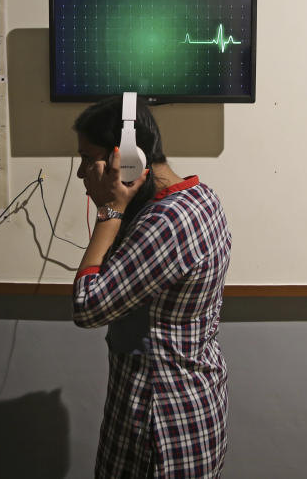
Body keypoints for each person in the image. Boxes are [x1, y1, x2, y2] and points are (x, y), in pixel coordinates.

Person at [71, 96, 232, 478]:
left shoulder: (167, 222)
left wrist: (109, 211)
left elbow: (87, 305)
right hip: (186, 402)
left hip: (161, 419)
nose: (80, 173)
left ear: (124, 160)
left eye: (86, 157)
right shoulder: (198, 198)